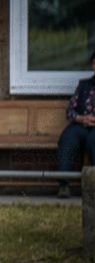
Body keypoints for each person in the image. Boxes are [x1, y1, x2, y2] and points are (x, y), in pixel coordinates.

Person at [56, 48, 95, 198]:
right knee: (67, 138)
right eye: (94, 63)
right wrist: (81, 119)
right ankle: (64, 185)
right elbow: (70, 111)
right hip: (81, 125)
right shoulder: (84, 85)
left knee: (93, 140)